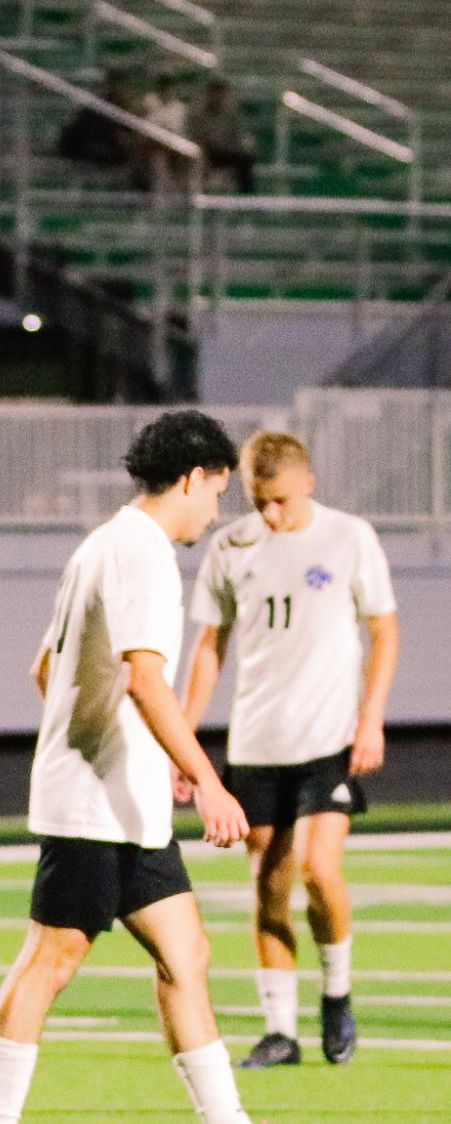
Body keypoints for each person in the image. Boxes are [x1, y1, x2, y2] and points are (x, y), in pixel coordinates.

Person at [0, 410, 343, 1124]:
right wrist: (204, 776)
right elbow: (145, 680)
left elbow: (45, 670)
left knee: (184, 952)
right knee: (49, 961)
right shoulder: (140, 554)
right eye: (218, 495)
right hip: (92, 804)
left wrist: (123, 750)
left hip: (117, 798)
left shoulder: (105, 543)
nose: (216, 514)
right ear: (194, 477)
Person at [179, 429, 398, 1068]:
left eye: (278, 500)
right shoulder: (232, 546)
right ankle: (281, 1030)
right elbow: (210, 646)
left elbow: (383, 632)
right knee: (268, 885)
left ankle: (336, 993)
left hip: (328, 739)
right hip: (256, 741)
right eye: (257, 501)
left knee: (319, 872)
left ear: (308, 482)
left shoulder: (349, 537)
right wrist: (185, 737)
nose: (269, 514)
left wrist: (372, 719)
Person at [189, 77, 256, 195]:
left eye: (221, 95)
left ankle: (247, 196)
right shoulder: (198, 117)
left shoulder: (232, 116)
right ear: (209, 95)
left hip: (226, 152)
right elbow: (195, 137)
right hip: (206, 153)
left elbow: (238, 138)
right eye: (215, 95)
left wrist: (231, 145)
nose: (218, 99)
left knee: (245, 159)